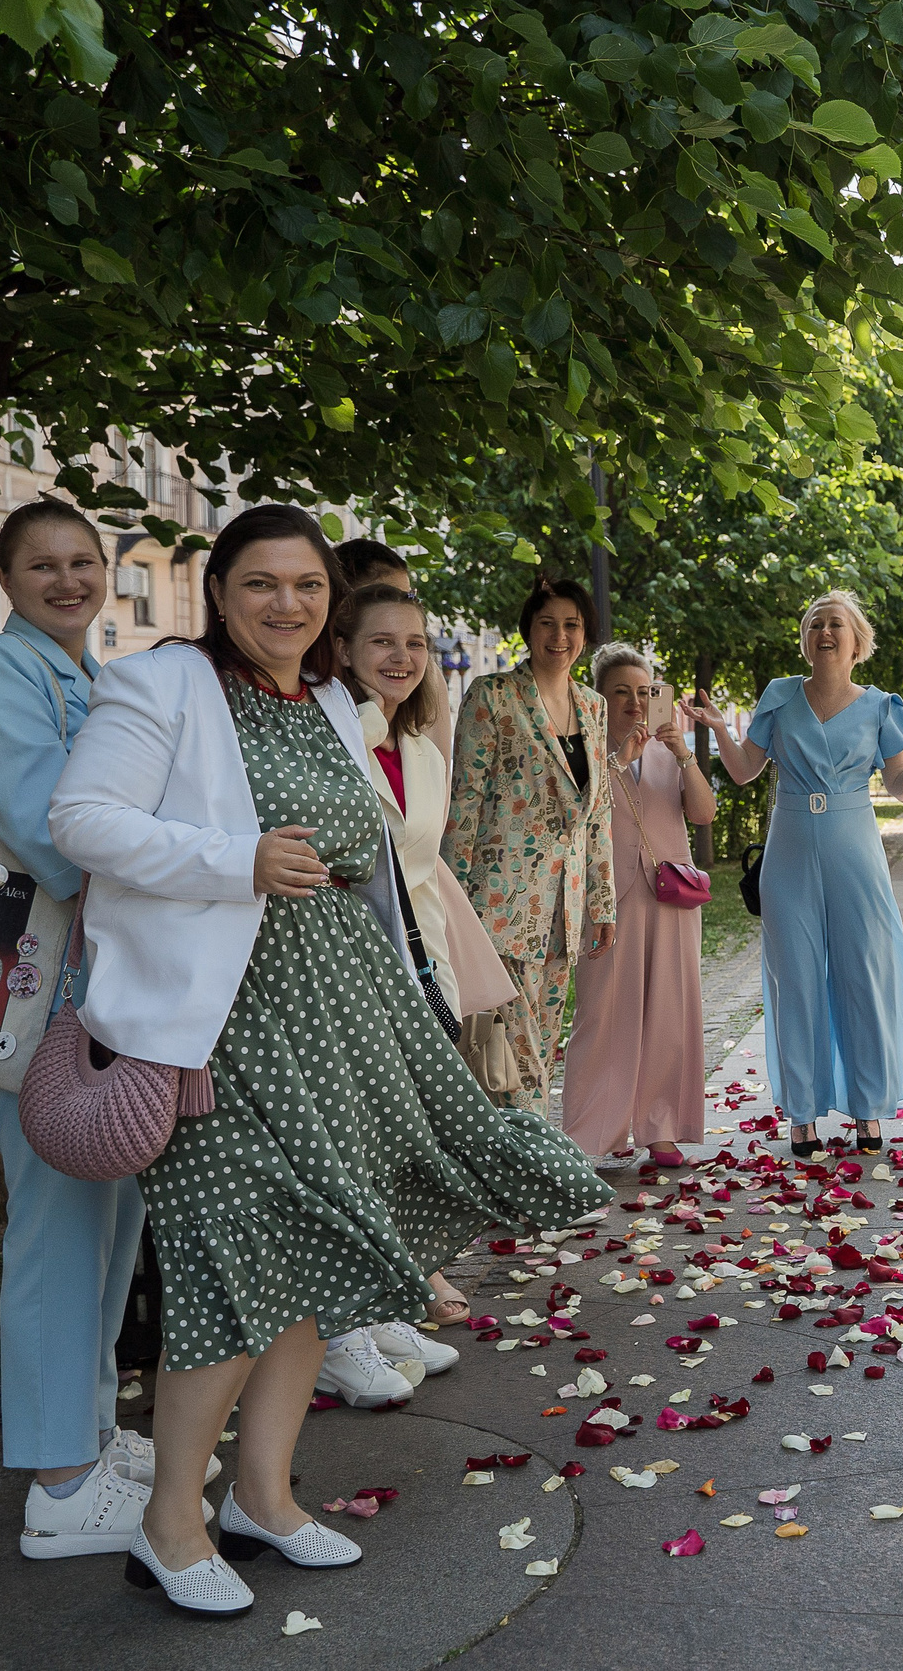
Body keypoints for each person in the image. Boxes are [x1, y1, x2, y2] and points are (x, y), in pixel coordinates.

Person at [50, 507, 613, 1616]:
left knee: (323, 1249)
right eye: (261, 584)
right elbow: (80, 819)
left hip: (339, 1008)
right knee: (228, 1261)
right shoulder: (161, 687)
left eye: (307, 586)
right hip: (220, 1025)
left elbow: (372, 865)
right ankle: (171, 1523)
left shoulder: (326, 702)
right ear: (218, 594)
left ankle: (262, 1497)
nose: (286, 605)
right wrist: (236, 858)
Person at [0, 500, 164, 1558]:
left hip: (90, 984)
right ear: (7, 574)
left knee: (106, 1210)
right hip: (27, 986)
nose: (70, 580)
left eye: (84, 562)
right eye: (45, 565)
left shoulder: (91, 673)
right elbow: (55, 834)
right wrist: (176, 854)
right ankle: (60, 1485)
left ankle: (89, 1435)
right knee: (57, 1219)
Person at [693, 591, 903, 1160]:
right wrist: (719, 728)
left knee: (862, 975)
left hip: (854, 853)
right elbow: (743, 772)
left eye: (835, 623)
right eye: (815, 623)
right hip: (788, 853)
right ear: (806, 638)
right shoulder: (780, 696)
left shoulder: (881, 707)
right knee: (795, 981)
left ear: (856, 640)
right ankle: (802, 1118)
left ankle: (867, 1112)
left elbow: (898, 787)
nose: (824, 631)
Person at [335, 581, 520, 1366]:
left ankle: (386, 1300)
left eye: (414, 643)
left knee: (398, 1139)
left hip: (418, 969)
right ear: (342, 649)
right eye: (382, 642)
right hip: (342, 969)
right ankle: (340, 1327)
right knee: (349, 1142)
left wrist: (442, 986)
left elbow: (425, 877)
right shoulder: (332, 737)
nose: (402, 658)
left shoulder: (420, 750)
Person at [448, 576, 616, 1122]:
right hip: (498, 902)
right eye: (547, 623)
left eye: (570, 624)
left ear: (585, 635)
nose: (559, 635)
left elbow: (599, 811)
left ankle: (523, 1158)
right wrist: (452, 902)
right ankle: (545, 1164)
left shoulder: (593, 706)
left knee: (542, 1042)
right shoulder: (491, 696)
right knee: (514, 1050)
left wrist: (602, 901)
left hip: (562, 909)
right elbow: (465, 801)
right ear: (528, 630)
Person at [560, 644, 715, 1170]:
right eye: (621, 691)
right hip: (607, 899)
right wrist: (617, 759)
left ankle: (662, 1128)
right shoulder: (580, 747)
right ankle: (588, 1133)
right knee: (602, 1015)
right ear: (598, 697)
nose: (634, 702)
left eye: (645, 692)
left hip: (671, 896)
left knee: (671, 1013)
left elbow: (703, 812)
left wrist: (686, 755)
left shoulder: (671, 750)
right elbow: (575, 816)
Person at [332, 537, 458, 764]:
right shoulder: (310, 678)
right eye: (384, 595)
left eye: (409, 596)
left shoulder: (425, 676)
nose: (401, 607)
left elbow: (439, 772)